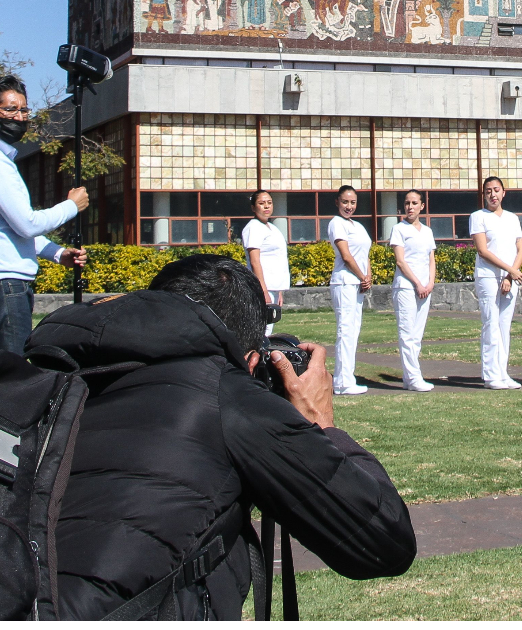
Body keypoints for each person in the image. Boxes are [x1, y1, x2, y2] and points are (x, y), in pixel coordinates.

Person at [25, 254, 414, 616]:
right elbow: (385, 543)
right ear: (250, 360)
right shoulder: (223, 392)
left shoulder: (41, 378)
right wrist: (320, 422)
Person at [0, 75, 88, 356]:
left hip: (4, 289)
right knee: (10, 384)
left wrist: (57, 253)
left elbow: (12, 229)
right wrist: (70, 206)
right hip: (2, 289)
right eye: (9, 109)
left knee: (6, 379)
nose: (18, 117)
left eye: (23, 110)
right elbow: (27, 224)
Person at [471, 176, 522, 390]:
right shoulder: (478, 217)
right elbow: (483, 251)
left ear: (504, 192)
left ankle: (503, 373)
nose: (493, 194)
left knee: (504, 326)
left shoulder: (512, 218)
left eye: (496, 190)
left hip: (509, 279)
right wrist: (510, 271)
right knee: (491, 323)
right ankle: (491, 375)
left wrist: (510, 277)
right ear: (483, 195)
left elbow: (520, 249)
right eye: (488, 191)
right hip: (488, 277)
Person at [326, 185, 373, 396]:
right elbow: (346, 256)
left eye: (352, 202)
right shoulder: (336, 223)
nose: (349, 206)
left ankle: (348, 377)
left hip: (358, 284)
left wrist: (368, 276)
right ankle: (341, 382)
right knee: (345, 331)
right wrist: (362, 276)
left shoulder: (358, 226)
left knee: (354, 331)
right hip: (344, 282)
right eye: (345, 202)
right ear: (337, 202)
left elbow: (365, 255)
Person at [387, 190, 436, 392]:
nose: (410, 207)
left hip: (425, 289)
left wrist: (430, 283)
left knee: (417, 335)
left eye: (414, 203)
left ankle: (410, 377)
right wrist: (417, 283)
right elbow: (400, 261)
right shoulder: (399, 229)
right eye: (407, 203)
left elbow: (431, 260)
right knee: (407, 333)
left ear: (421, 206)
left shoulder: (427, 231)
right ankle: (414, 377)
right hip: (406, 287)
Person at [241, 189, 290, 314]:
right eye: (262, 203)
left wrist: (278, 291)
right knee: (262, 327)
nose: (266, 206)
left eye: (269, 202)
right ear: (253, 207)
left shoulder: (272, 228)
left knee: (269, 327)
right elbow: (255, 261)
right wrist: (263, 291)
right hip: (262, 288)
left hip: (273, 287)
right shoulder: (253, 227)